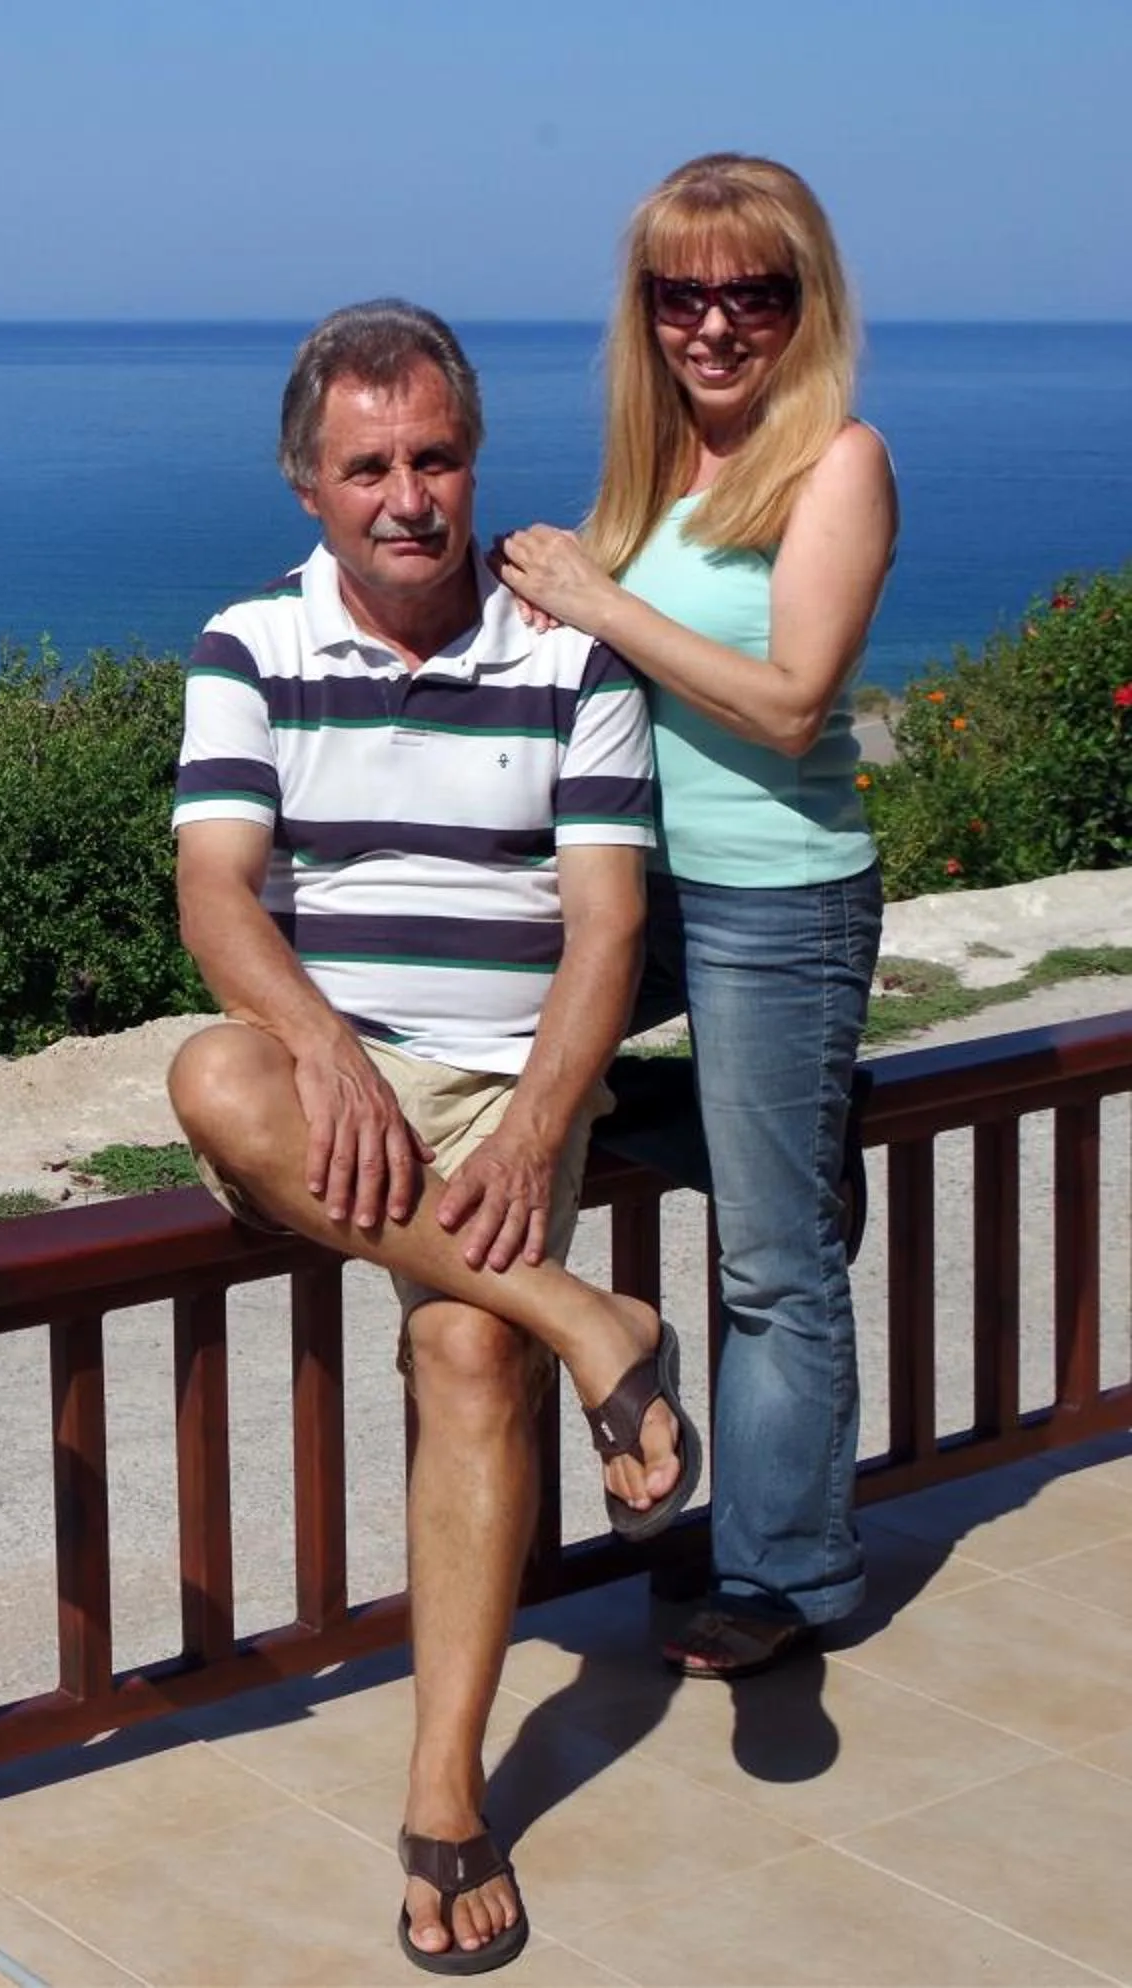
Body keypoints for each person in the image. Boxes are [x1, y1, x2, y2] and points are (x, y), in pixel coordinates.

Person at [169, 300, 698, 1975]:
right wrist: (322, 1043)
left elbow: (606, 926)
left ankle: (445, 1799)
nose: (408, 495)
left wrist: (542, 1121)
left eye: (436, 457)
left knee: (465, 1359)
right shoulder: (249, 645)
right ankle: (587, 1317)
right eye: (368, 465)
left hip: (514, 1069)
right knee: (212, 1079)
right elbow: (214, 892)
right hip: (336, 1072)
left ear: (473, 461)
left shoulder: (570, 649)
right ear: (306, 485)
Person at [493, 154, 894, 1681]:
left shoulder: (839, 463)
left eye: (754, 294)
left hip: (780, 898)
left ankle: (785, 1574)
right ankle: (791, 1118)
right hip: (645, 886)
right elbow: (622, 670)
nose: (716, 325)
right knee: (508, 1078)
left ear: (806, 305)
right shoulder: (658, 471)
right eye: (686, 294)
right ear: (647, 306)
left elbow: (791, 706)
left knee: (772, 1264)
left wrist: (604, 602)